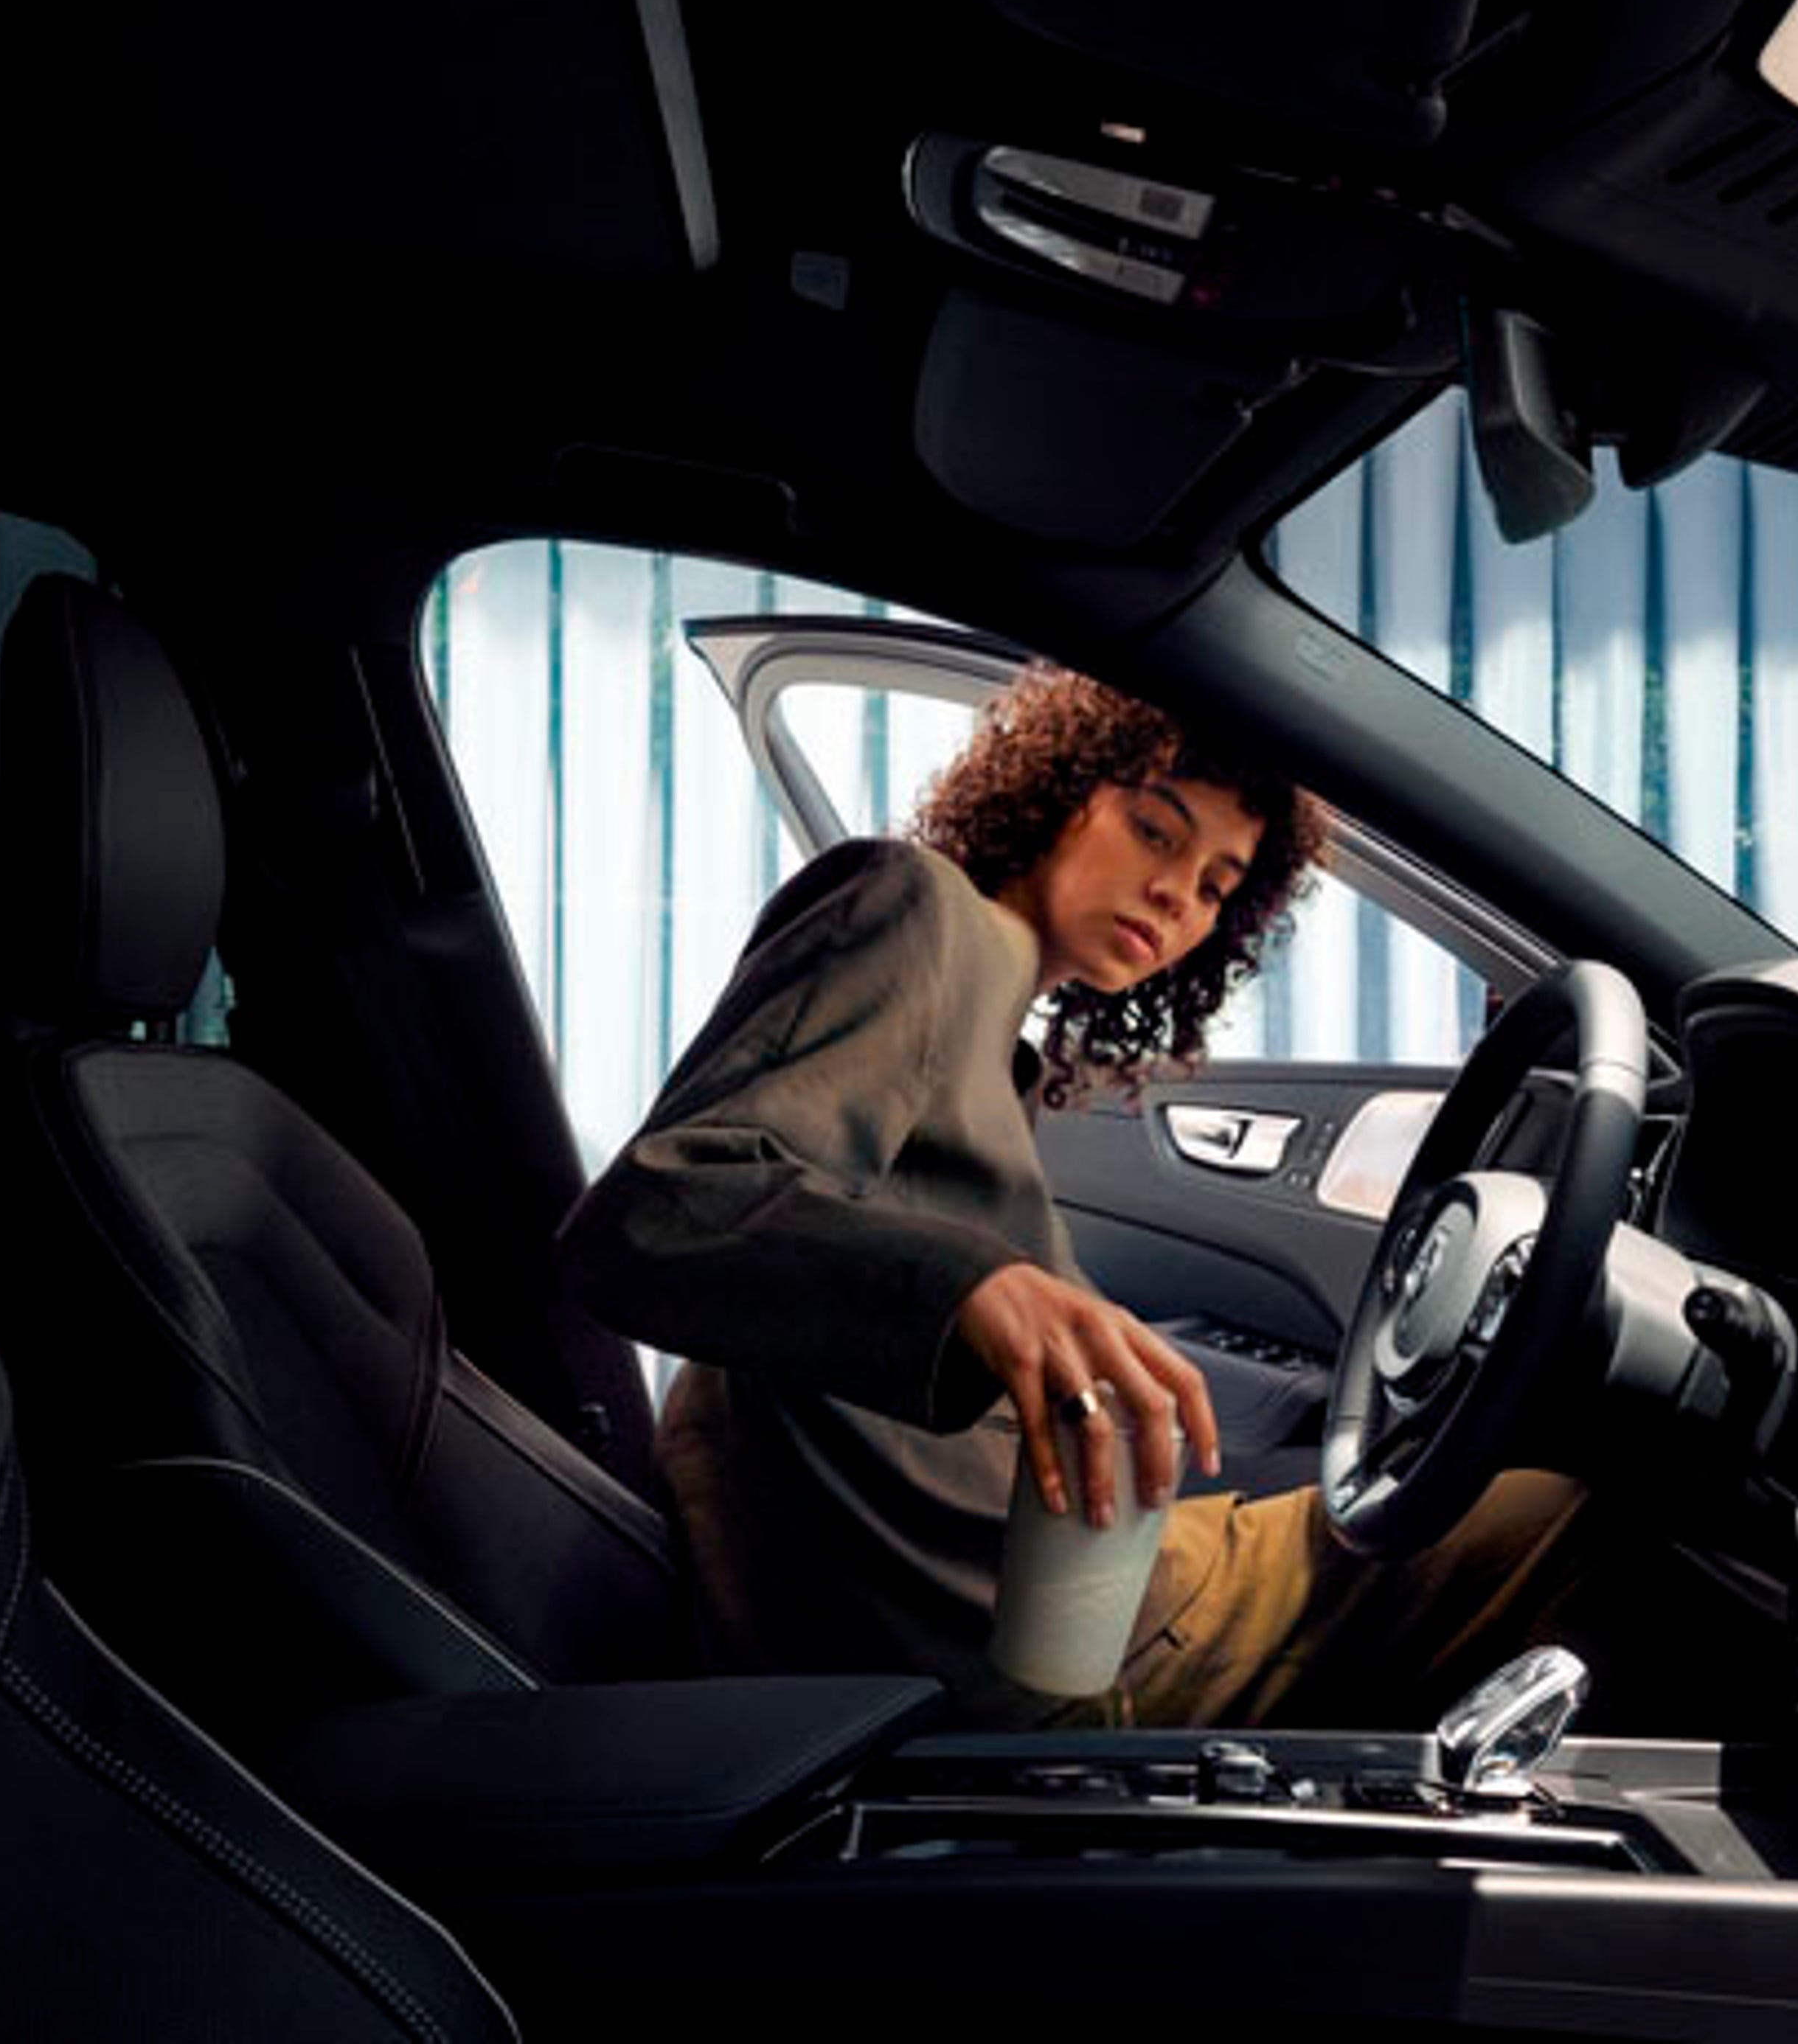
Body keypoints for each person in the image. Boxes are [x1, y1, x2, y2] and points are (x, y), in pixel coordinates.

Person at [557, 664, 1589, 1726]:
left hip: (1045, 1592)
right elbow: (651, 1214)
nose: (1177, 894)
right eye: (1155, 830)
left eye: (1216, 886)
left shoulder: (997, 1042)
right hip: (1012, 1635)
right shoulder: (913, 907)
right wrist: (978, 1287)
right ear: (1058, 789)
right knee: (1572, 1519)